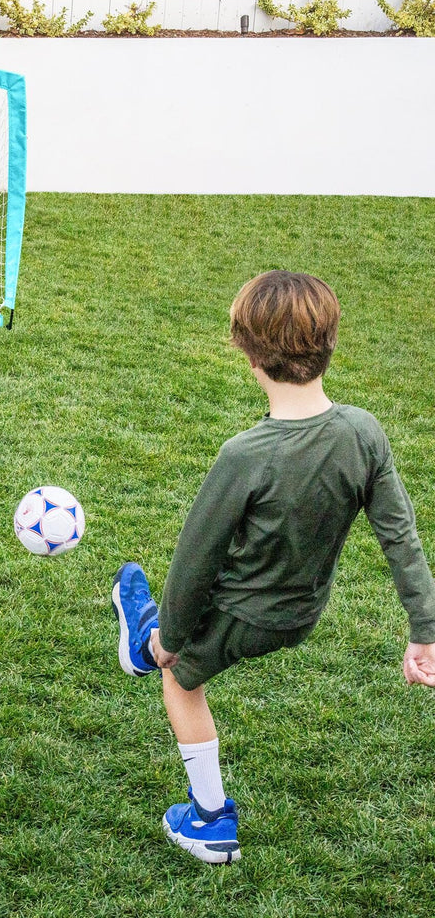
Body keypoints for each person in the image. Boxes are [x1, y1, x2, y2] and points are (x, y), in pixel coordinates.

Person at [111, 270, 435, 865]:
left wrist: (173, 641)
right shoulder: (364, 432)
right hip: (302, 614)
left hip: (241, 614)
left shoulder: (245, 455)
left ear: (247, 352)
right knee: (174, 633)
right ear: (330, 341)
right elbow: (401, 539)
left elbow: (193, 562)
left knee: (178, 678)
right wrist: (426, 632)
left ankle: (208, 819)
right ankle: (148, 633)